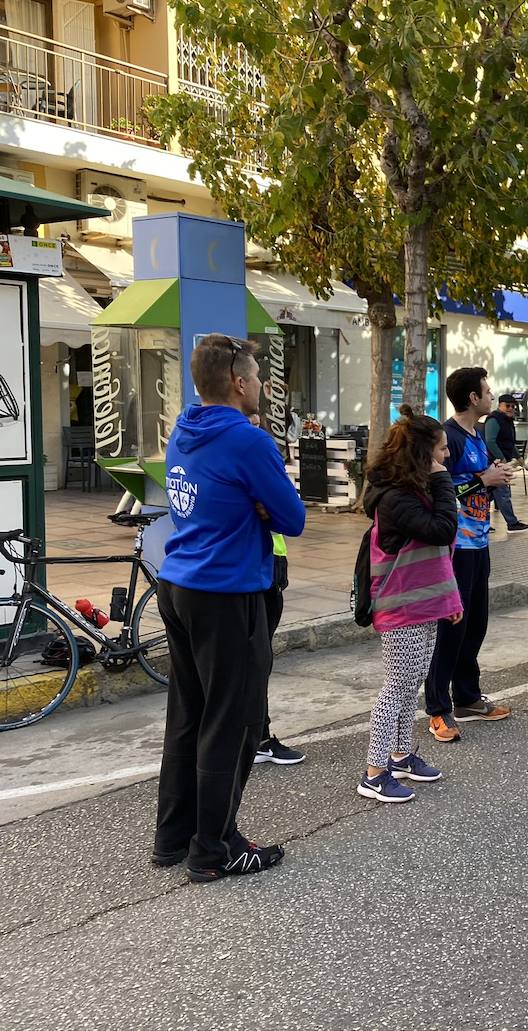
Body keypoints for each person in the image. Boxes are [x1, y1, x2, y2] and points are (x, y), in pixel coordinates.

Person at [151, 334, 306, 882]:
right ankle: (214, 848)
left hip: (178, 583)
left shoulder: (183, 433)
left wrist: (253, 504)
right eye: (258, 375)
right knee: (234, 721)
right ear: (238, 383)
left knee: (188, 713)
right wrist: (261, 506)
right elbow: (292, 517)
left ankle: (174, 836)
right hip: (227, 591)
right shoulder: (247, 440)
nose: (262, 383)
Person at [357, 406, 463, 803]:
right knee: (397, 688)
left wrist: (448, 598)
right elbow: (443, 530)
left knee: (412, 683)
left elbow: (437, 554)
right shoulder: (397, 498)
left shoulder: (412, 491)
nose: (447, 456)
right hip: (401, 608)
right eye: (441, 450)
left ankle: (401, 756)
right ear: (424, 455)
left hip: (424, 603)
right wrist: (443, 481)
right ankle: (373, 772)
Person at [424, 367, 515, 742]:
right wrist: (482, 480)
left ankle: (467, 697)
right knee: (451, 628)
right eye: (487, 391)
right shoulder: (450, 438)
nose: (492, 395)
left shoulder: (476, 435)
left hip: (479, 542)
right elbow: (438, 489)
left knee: (476, 623)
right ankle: (437, 708)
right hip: (456, 548)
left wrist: (493, 475)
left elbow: (475, 486)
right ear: (473, 398)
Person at [246, 414, 304, 767]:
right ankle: (258, 737)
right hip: (256, 569)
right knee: (255, 660)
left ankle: (258, 734)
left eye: (257, 424)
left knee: (259, 658)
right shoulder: (246, 457)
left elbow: (287, 508)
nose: (254, 428)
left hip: (272, 562)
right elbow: (289, 511)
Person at [483, 392, 528, 534]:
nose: (511, 408)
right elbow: (490, 441)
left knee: (489, 495)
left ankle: (483, 524)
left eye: (513, 406)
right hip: (495, 463)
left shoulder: (507, 420)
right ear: (500, 405)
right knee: (503, 493)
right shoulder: (494, 419)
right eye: (507, 406)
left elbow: (509, 443)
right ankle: (512, 523)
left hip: (499, 463)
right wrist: (502, 460)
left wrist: (520, 460)